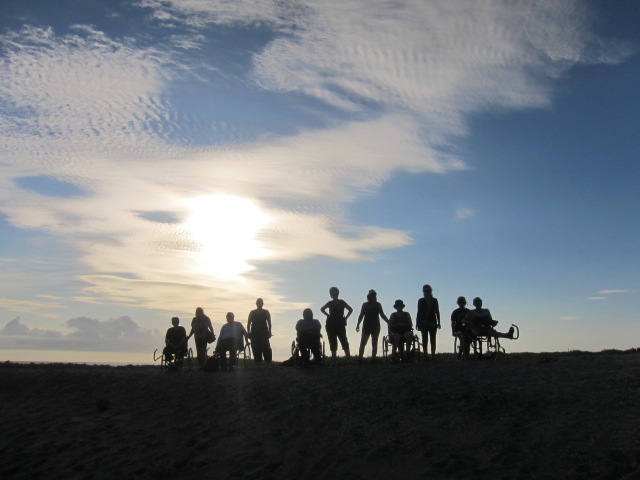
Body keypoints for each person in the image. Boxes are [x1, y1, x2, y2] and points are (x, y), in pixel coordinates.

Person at [320, 287, 353, 364]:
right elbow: (322, 309)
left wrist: (346, 318)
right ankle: (334, 360)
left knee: (344, 340)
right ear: (331, 295)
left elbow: (351, 309)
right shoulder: (330, 303)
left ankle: (348, 359)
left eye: (335, 293)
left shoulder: (342, 302)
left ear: (338, 293)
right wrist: (328, 315)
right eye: (333, 294)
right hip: (331, 325)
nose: (334, 295)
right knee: (332, 342)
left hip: (340, 324)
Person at [356, 289, 389, 362]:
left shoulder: (378, 305)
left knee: (374, 342)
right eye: (372, 295)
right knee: (363, 342)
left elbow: (382, 314)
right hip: (366, 325)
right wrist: (358, 324)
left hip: (375, 326)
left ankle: (373, 358)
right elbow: (361, 315)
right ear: (369, 296)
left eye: (374, 295)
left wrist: (388, 321)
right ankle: (360, 358)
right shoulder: (365, 305)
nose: (374, 296)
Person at [416, 284, 440, 360]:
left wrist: (439, 322)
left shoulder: (434, 300)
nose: (426, 292)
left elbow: (437, 312)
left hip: (432, 322)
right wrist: (417, 322)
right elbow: (419, 312)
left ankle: (433, 356)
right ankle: (425, 356)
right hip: (423, 322)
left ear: (430, 291)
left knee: (433, 339)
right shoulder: (420, 301)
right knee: (424, 339)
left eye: (427, 291)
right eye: (425, 291)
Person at [247, 298, 273, 365]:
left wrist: (269, 332)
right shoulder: (252, 312)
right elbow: (248, 323)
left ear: (262, 304)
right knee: (256, 348)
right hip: (254, 332)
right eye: (258, 303)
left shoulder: (266, 312)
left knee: (266, 347)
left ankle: (268, 362)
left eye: (261, 303)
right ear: (256, 304)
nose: (259, 304)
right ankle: (258, 363)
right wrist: (249, 332)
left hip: (264, 332)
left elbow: (269, 323)